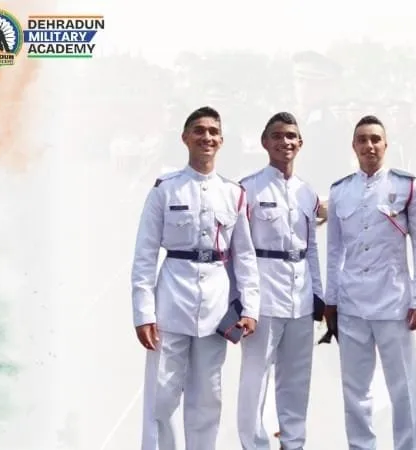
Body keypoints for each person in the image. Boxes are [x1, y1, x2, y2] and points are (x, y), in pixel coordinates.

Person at [130, 106, 261, 450]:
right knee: (162, 394)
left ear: (221, 140)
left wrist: (250, 307)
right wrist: (143, 312)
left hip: (216, 307)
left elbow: (245, 255)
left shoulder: (233, 193)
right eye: (199, 130)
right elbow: (145, 255)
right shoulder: (165, 189)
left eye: (214, 132)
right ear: (185, 137)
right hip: (171, 302)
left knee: (208, 396)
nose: (207, 137)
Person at [324, 115, 416, 450]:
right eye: (362, 139)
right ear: (353, 146)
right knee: (355, 390)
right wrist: (331, 301)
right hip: (352, 301)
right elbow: (333, 251)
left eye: (375, 139)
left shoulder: (406, 186)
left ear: (386, 144)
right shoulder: (340, 191)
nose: (369, 146)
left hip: (394, 301)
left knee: (403, 387)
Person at [235, 112, 324, 450]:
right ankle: (254, 444)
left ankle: (294, 443)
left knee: (297, 380)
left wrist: (318, 292)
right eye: (277, 136)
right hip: (264, 297)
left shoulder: (306, 192)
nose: (285, 142)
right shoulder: (249, 188)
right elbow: (240, 248)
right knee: (255, 379)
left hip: (299, 297)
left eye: (291, 136)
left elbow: (311, 247)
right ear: (265, 142)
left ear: (300, 143)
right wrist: (244, 300)